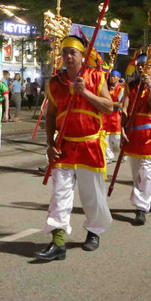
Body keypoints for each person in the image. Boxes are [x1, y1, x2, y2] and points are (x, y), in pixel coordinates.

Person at [35, 36, 113, 261]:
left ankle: (94, 232)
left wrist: (85, 92)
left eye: (73, 53)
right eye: (65, 52)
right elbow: (50, 116)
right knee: (59, 195)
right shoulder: (55, 83)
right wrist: (49, 143)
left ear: (82, 55)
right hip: (64, 145)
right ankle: (58, 242)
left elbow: (109, 107)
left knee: (92, 196)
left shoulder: (96, 77)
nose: (68, 57)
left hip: (90, 144)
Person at [120, 57, 151, 225]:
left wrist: (149, 86)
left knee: (146, 172)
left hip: (150, 133)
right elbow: (125, 109)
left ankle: (140, 208)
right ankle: (150, 197)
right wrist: (122, 128)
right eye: (138, 65)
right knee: (137, 173)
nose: (140, 68)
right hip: (133, 132)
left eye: (145, 66)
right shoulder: (130, 86)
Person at [103, 70, 124, 163]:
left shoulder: (121, 90)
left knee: (116, 138)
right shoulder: (106, 88)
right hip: (106, 115)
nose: (112, 78)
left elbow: (120, 104)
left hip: (116, 115)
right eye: (111, 76)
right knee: (106, 137)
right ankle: (109, 156)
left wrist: (107, 103)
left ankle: (123, 153)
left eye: (114, 76)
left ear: (119, 78)